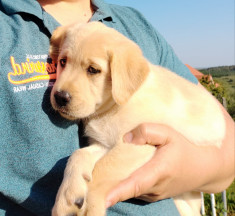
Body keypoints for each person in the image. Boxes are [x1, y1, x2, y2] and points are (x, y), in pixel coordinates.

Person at [0, 0, 233, 216]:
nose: (63, 89)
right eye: (63, 61)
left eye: (93, 70)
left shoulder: (136, 26)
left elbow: (225, 153)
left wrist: (187, 169)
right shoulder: (9, 27)